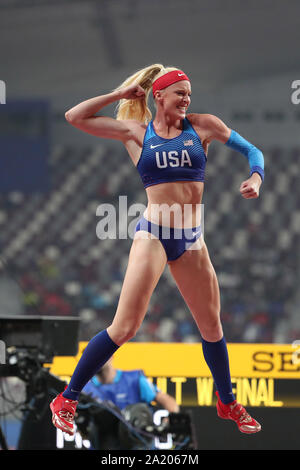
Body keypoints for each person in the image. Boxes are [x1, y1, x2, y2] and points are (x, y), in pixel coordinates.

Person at [50, 64, 264, 436]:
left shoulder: (202, 125)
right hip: (153, 234)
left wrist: (256, 177)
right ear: (159, 95)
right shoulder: (136, 132)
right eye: (180, 92)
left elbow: (252, 150)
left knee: (211, 326)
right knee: (125, 327)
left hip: (192, 238)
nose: (187, 99)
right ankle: (67, 397)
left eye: (190, 94)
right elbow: (74, 116)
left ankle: (228, 402)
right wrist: (121, 95)